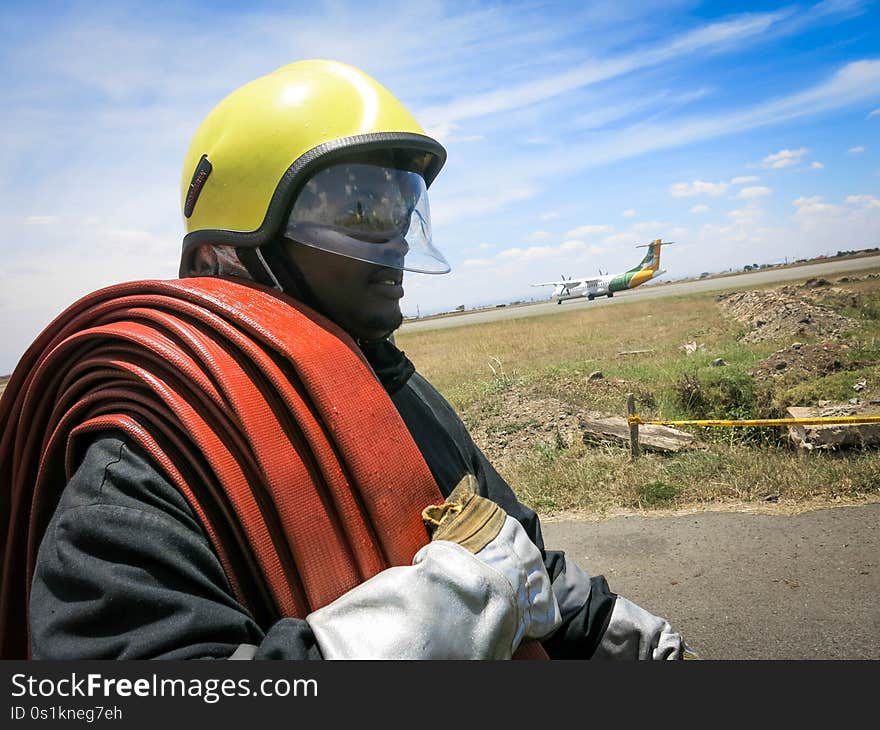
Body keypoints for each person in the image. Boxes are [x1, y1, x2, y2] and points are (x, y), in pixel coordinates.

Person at [6, 60, 691, 660]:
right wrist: (424, 630)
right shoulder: (144, 465)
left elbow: (517, 564)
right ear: (236, 251)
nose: (393, 238)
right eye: (360, 208)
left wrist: (624, 639)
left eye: (402, 209)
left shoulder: (395, 390)